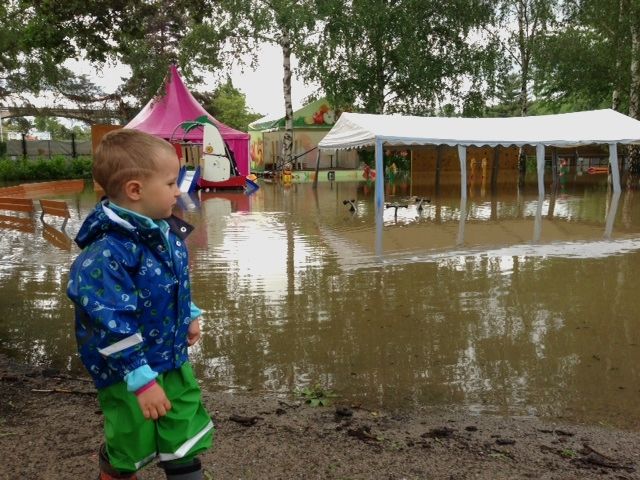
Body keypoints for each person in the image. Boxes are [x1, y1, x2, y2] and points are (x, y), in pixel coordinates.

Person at [67, 129, 213, 480]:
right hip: (126, 371)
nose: (179, 191)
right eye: (170, 183)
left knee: (183, 429)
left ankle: (185, 470)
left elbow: (171, 281)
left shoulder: (164, 231)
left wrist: (188, 314)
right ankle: (115, 468)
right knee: (132, 440)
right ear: (135, 190)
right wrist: (140, 379)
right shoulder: (106, 255)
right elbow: (109, 322)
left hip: (171, 355)